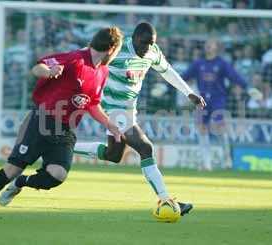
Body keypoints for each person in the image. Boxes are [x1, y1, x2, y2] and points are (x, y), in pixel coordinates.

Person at [0, 26, 124, 224]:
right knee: (12, 169)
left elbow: (93, 104)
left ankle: (21, 183)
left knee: (58, 175)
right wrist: (49, 71)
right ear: (112, 48)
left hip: (66, 129)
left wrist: (110, 124)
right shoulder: (75, 59)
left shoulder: (102, 72)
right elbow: (38, 67)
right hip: (43, 120)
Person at [74, 22, 206, 215]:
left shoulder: (152, 52)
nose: (147, 48)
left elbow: (167, 71)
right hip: (112, 109)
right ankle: (165, 199)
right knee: (146, 148)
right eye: (144, 43)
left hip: (128, 111)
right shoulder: (117, 50)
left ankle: (65, 145)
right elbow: (85, 56)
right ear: (133, 38)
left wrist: (188, 93)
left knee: (114, 155)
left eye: (151, 43)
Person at [182, 39, 261, 170]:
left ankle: (227, 159)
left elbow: (234, 76)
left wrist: (248, 88)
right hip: (202, 100)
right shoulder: (198, 63)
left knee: (220, 128)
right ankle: (206, 163)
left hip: (218, 99)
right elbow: (183, 77)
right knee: (202, 129)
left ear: (216, 47)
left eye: (211, 44)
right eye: (206, 44)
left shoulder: (222, 63)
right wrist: (165, 86)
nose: (208, 46)